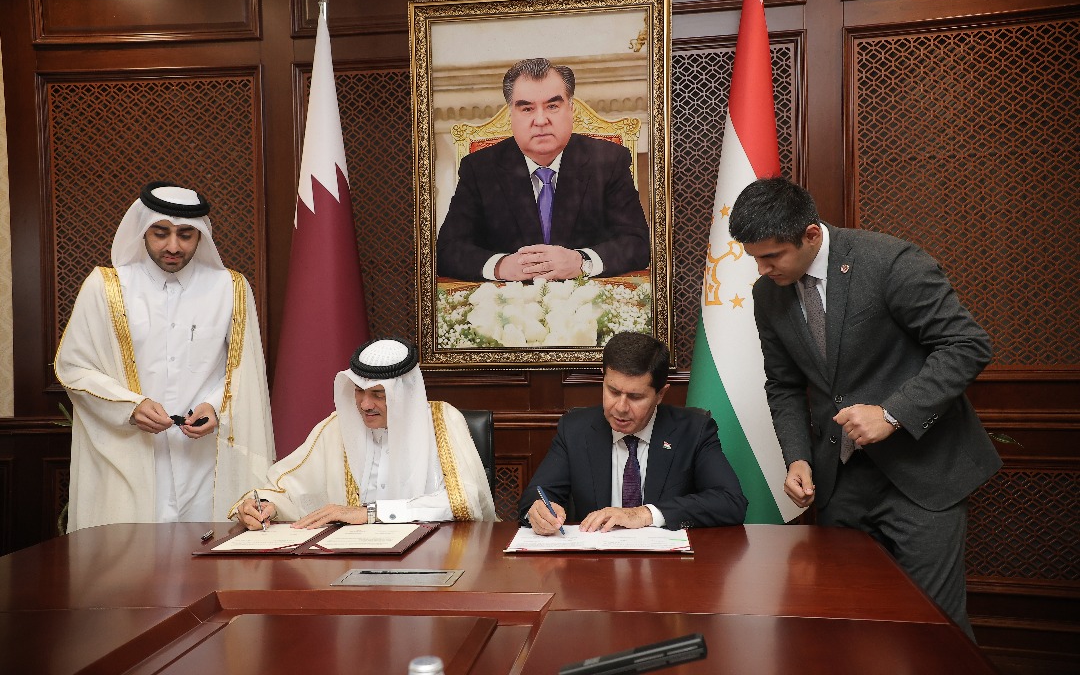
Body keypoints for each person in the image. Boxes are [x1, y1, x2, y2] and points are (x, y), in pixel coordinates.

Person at [728, 176, 1002, 639]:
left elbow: (967, 345)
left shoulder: (890, 262)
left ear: (811, 234)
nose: (762, 270)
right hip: (841, 480)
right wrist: (797, 456)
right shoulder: (767, 295)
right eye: (754, 258)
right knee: (848, 623)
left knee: (932, 629)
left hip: (922, 476)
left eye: (771, 256)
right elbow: (784, 385)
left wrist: (891, 413)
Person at [55, 181, 276, 531]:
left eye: (186, 235)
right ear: (143, 230)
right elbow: (74, 367)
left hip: (205, 461)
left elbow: (244, 370)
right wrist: (129, 406)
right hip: (128, 457)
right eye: (161, 233)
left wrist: (216, 406)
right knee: (132, 571)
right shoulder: (106, 287)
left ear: (201, 236)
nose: (173, 246)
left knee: (207, 561)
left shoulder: (229, 289)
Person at [233, 337, 496, 528]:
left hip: (433, 557)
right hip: (352, 558)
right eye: (359, 391)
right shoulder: (338, 426)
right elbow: (289, 486)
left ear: (404, 393)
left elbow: (466, 500)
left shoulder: (443, 421)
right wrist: (264, 506)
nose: (364, 405)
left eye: (378, 395)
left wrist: (371, 513)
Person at [436, 58, 651, 282]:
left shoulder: (608, 160)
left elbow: (637, 243)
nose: (540, 120)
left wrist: (581, 262)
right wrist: (501, 266)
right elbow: (448, 250)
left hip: (587, 303)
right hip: (508, 306)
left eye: (552, 106)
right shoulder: (479, 168)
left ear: (571, 109)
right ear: (512, 115)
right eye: (527, 108)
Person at [519, 332, 747, 534]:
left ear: (660, 394)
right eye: (613, 391)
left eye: (636, 397)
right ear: (603, 378)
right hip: (593, 567)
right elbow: (537, 495)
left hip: (669, 574)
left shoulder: (693, 431)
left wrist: (644, 514)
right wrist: (539, 511)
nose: (620, 407)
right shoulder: (575, 430)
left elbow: (730, 502)